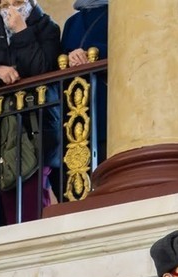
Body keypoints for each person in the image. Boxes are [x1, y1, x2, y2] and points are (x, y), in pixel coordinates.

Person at [0, 0, 63, 226]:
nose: (10, 8)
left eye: (17, 2)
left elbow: (41, 67)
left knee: (33, 191)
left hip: (37, 122)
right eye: (5, 3)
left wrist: (21, 31)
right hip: (3, 125)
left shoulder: (47, 27)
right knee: (8, 188)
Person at [61, 0, 109, 166]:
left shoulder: (115, 13)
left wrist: (92, 53)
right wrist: (71, 57)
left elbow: (124, 46)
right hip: (75, 101)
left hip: (103, 96)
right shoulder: (72, 22)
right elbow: (60, 58)